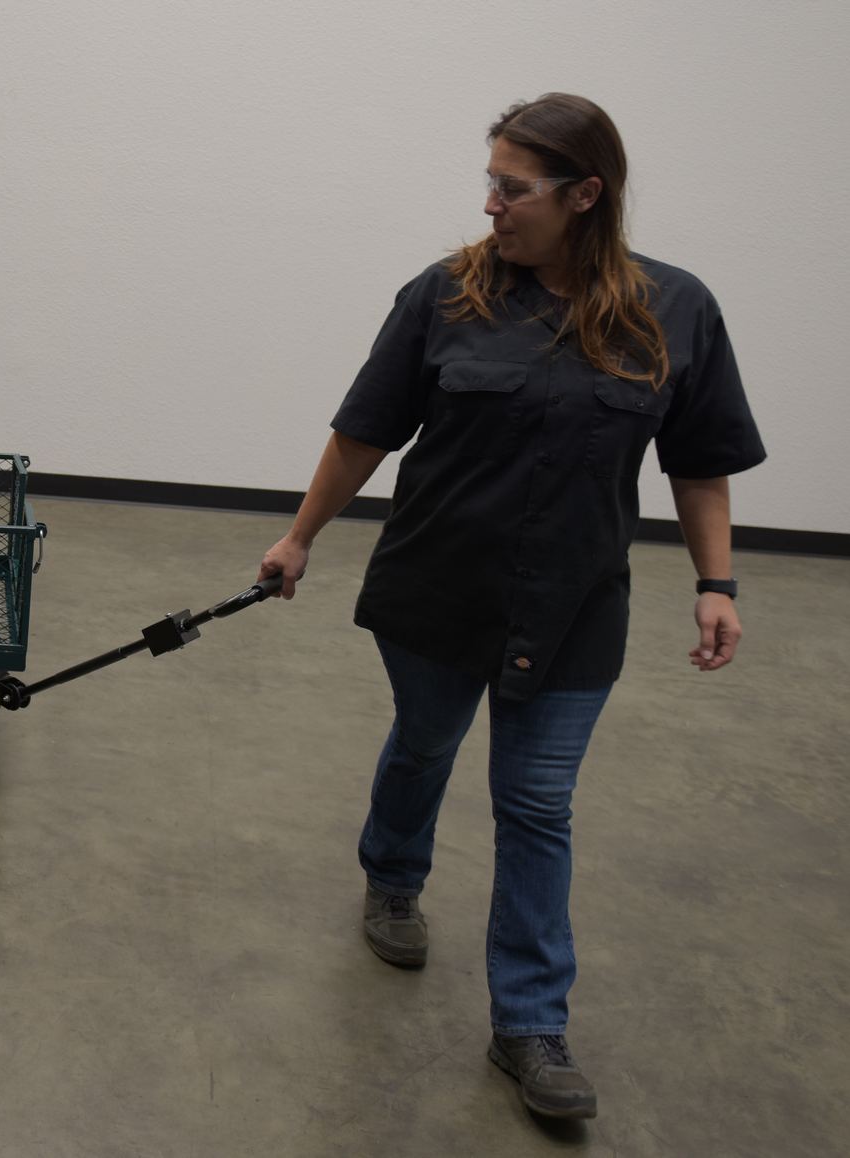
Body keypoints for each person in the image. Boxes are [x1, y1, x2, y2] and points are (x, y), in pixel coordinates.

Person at [257, 93, 765, 1121]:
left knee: (536, 804)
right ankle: (392, 873)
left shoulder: (677, 309)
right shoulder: (445, 295)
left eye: (512, 187)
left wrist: (716, 584)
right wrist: (299, 536)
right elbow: (364, 432)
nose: (490, 206)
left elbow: (700, 464)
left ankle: (529, 1023)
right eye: (489, 182)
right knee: (426, 743)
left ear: (585, 195)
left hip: (576, 605)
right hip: (439, 585)